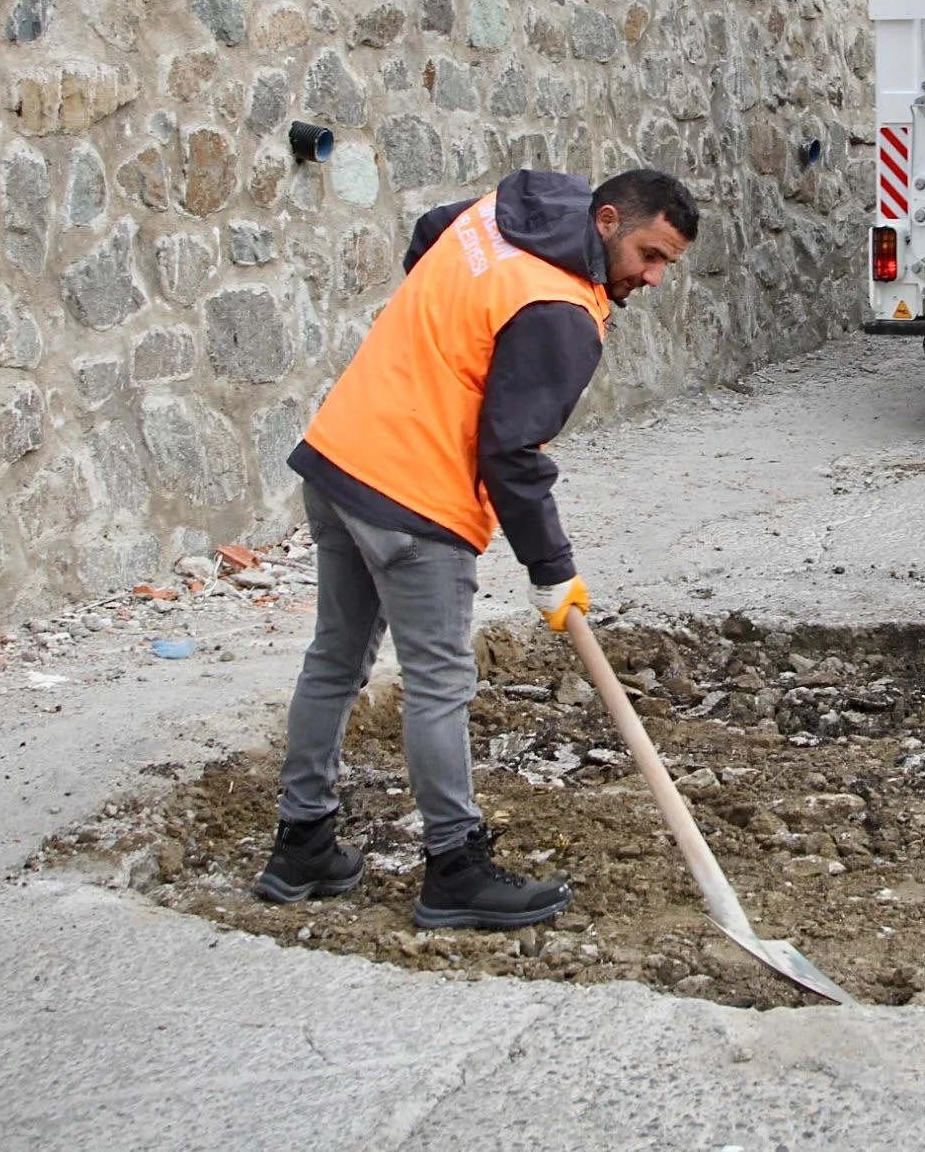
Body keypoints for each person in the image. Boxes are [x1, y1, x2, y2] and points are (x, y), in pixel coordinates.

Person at [253, 167, 699, 930]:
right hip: (413, 501)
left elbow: (431, 226)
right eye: (649, 255)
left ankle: (302, 846)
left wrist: (434, 345)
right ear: (607, 221)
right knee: (439, 683)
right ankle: (454, 869)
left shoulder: (509, 210)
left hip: (340, 453)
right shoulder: (559, 310)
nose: (653, 278)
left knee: (335, 659)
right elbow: (512, 452)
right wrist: (552, 571)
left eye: (667, 265)